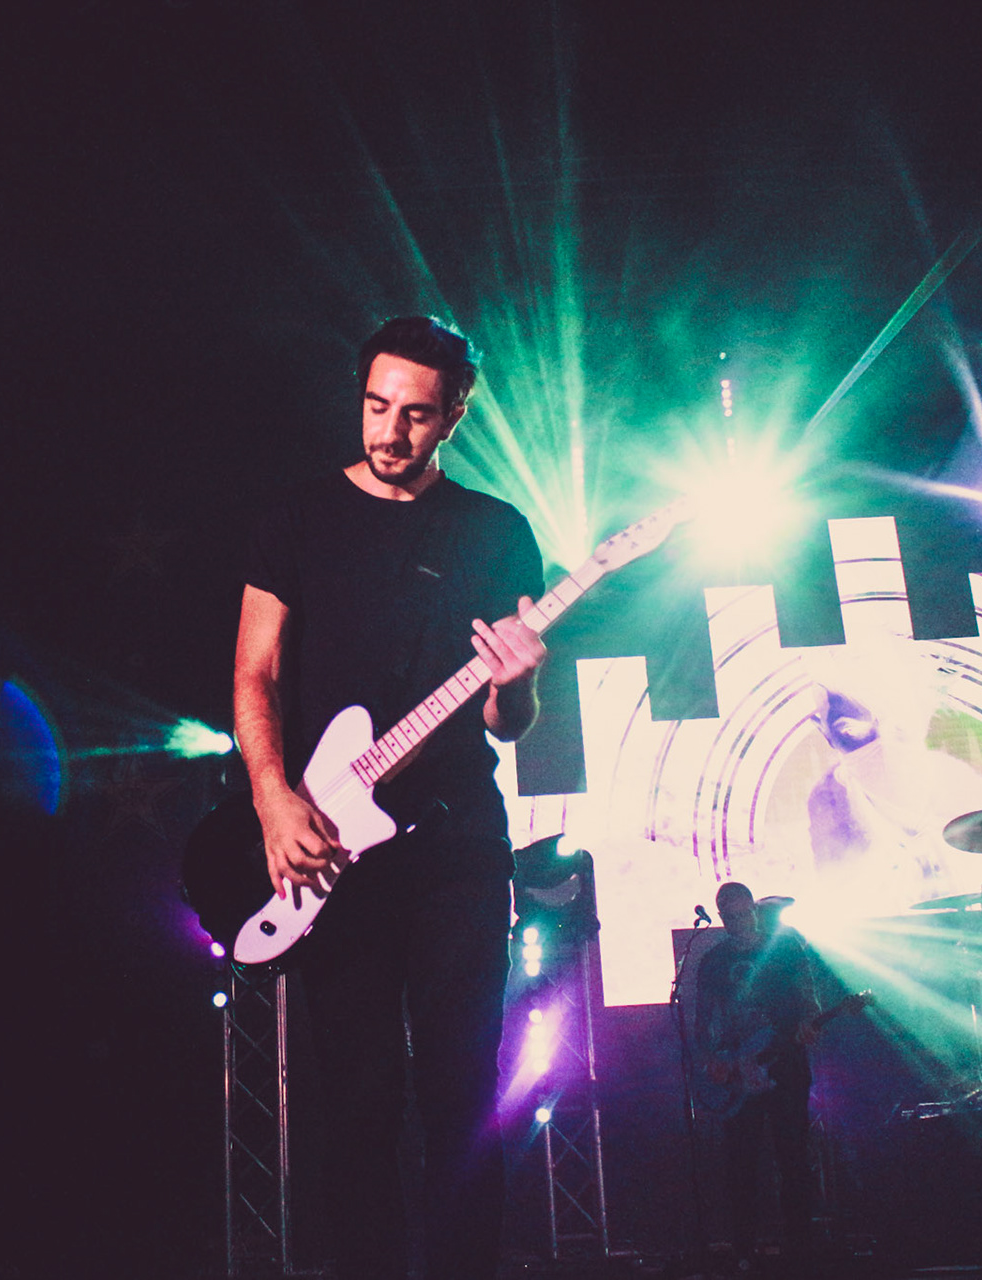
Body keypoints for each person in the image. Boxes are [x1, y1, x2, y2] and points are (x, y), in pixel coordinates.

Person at [232, 316, 548, 1280]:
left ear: (454, 415)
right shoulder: (296, 519)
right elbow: (255, 674)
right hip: (333, 845)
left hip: (456, 849)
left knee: (463, 1094)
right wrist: (274, 800)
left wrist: (519, 683)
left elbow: (507, 724)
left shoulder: (496, 532)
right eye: (376, 406)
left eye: (416, 414)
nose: (390, 431)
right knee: (356, 1101)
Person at [693, 882, 822, 1268]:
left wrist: (809, 1023)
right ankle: (744, 1250)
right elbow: (703, 1022)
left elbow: (809, 998)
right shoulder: (714, 962)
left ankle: (800, 1249)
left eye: (742, 913)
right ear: (720, 917)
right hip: (738, 1075)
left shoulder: (785, 949)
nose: (737, 922)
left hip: (785, 1067)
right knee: (741, 1165)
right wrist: (714, 1060)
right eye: (729, 916)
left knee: (793, 1158)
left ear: (753, 909)